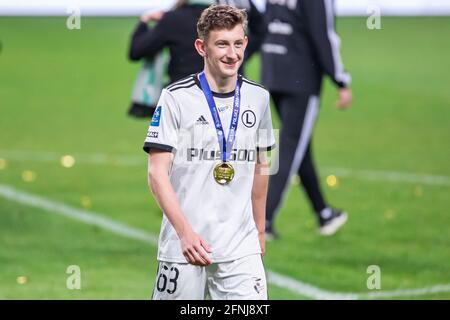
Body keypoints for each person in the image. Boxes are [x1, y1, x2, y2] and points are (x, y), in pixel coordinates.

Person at [143, 5, 275, 300]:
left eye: (238, 43)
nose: (232, 54)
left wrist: (259, 229)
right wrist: (184, 233)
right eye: (222, 44)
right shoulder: (175, 98)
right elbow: (156, 173)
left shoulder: (259, 99)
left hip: (240, 249)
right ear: (202, 47)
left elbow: (262, 167)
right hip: (183, 246)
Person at [262, 0, 352, 238]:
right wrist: (340, 80)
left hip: (273, 71)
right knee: (291, 147)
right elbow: (323, 35)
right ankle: (264, 220)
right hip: (300, 75)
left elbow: (267, 22)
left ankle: (323, 213)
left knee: (299, 146)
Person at [128, 0, 264, 118]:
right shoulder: (227, 22)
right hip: (227, 97)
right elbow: (261, 28)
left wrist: (144, 21)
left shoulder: (172, 20)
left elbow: (137, 51)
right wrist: (242, 56)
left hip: (182, 100)